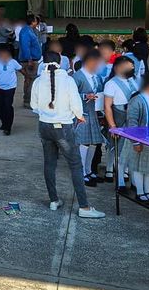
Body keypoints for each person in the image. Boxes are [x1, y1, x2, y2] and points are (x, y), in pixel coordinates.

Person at [30, 53, 105, 218]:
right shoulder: (68, 80)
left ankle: (54, 200)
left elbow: (33, 105)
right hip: (63, 127)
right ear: (60, 62)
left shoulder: (38, 81)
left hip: (44, 126)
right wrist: (80, 116)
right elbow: (76, 104)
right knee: (76, 165)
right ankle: (84, 207)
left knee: (49, 164)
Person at [121, 71, 149, 202]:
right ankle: (140, 192)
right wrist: (135, 142)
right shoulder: (136, 100)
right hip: (139, 137)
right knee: (138, 166)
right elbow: (132, 122)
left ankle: (147, 191)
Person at [103, 56, 138, 189]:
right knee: (118, 149)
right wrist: (112, 126)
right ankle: (119, 179)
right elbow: (107, 106)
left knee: (131, 149)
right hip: (119, 118)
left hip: (133, 118)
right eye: (129, 66)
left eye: (132, 66)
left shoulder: (135, 80)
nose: (132, 68)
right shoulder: (111, 83)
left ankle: (131, 178)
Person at [72, 50, 105, 187]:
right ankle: (82, 173)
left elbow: (101, 91)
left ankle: (89, 170)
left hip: (94, 112)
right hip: (82, 113)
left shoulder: (96, 76)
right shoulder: (77, 77)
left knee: (93, 142)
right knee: (84, 142)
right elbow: (70, 96)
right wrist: (86, 96)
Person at [0, 46, 25, 135]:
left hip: (11, 87)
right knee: (1, 106)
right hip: (0, 88)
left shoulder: (13, 62)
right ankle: (4, 122)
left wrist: (27, 76)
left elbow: (21, 69)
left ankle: (8, 127)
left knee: (8, 106)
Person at [18, 15, 42, 108]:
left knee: (30, 80)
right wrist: (29, 60)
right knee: (30, 80)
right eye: (36, 21)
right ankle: (28, 101)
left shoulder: (30, 30)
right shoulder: (26, 32)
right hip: (29, 60)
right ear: (32, 22)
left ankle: (28, 100)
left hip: (32, 59)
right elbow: (25, 47)